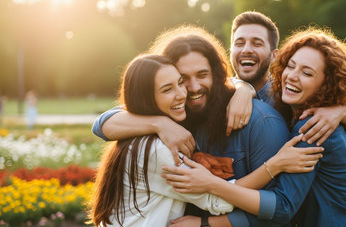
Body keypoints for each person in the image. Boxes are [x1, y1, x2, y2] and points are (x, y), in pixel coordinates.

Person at [93, 26, 325, 226]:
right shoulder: (162, 139)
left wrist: (244, 88)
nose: (190, 88)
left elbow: (278, 210)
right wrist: (160, 123)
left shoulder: (261, 122)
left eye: (202, 75)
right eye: (181, 80)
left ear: (216, 74)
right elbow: (102, 125)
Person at [162, 27, 346, 226]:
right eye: (291, 65)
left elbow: (282, 207)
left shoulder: (314, 127)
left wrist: (209, 197)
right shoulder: (286, 108)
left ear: (326, 84)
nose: (292, 75)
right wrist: (244, 88)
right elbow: (226, 83)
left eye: (307, 73)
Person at [87, 54, 234, 227]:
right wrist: (271, 167)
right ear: (146, 99)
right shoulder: (157, 150)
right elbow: (219, 202)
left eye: (180, 83)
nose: (182, 94)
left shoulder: (137, 135)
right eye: (167, 89)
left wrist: (243, 88)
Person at [230, 11, 346, 145]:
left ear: (274, 55)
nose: (246, 49)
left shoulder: (289, 94)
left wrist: (341, 110)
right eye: (239, 43)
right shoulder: (219, 93)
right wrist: (242, 87)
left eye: (257, 43)